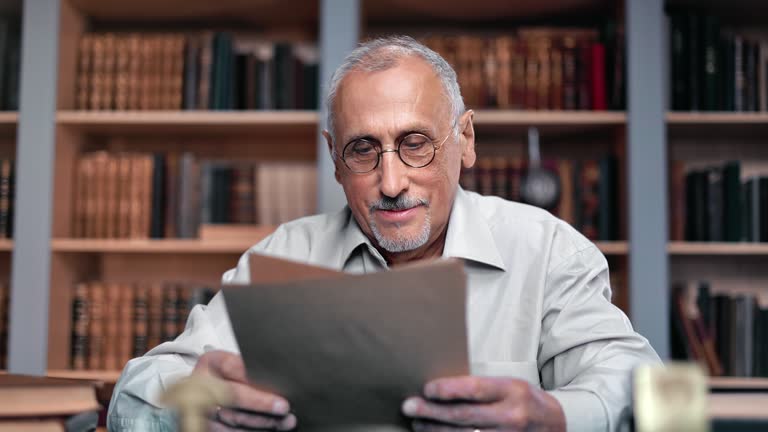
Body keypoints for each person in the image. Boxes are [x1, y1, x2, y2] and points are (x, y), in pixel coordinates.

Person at [108, 35, 660, 432]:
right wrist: (195, 399)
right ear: (334, 158)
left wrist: (554, 417)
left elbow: (641, 390)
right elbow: (130, 397)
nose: (391, 182)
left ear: (465, 140)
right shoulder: (285, 255)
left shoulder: (548, 250)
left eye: (416, 143)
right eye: (363, 149)